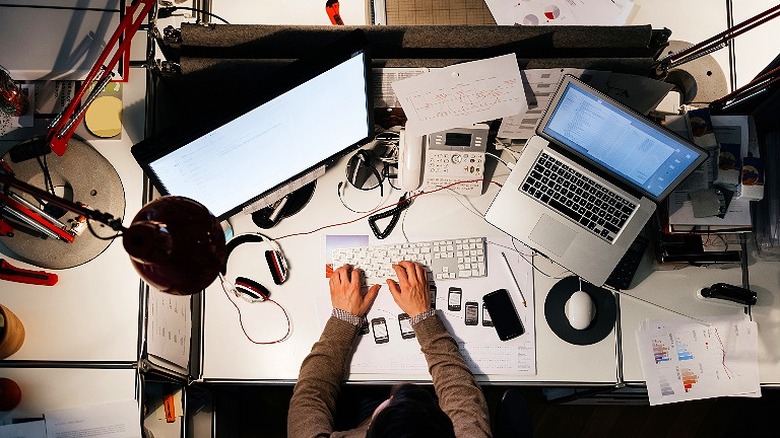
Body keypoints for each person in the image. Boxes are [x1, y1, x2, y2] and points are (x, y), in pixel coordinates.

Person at [288, 260, 492, 438]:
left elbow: (310, 394)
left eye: (389, 405)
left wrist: (344, 319)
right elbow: (462, 396)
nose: (395, 393)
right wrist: (422, 315)